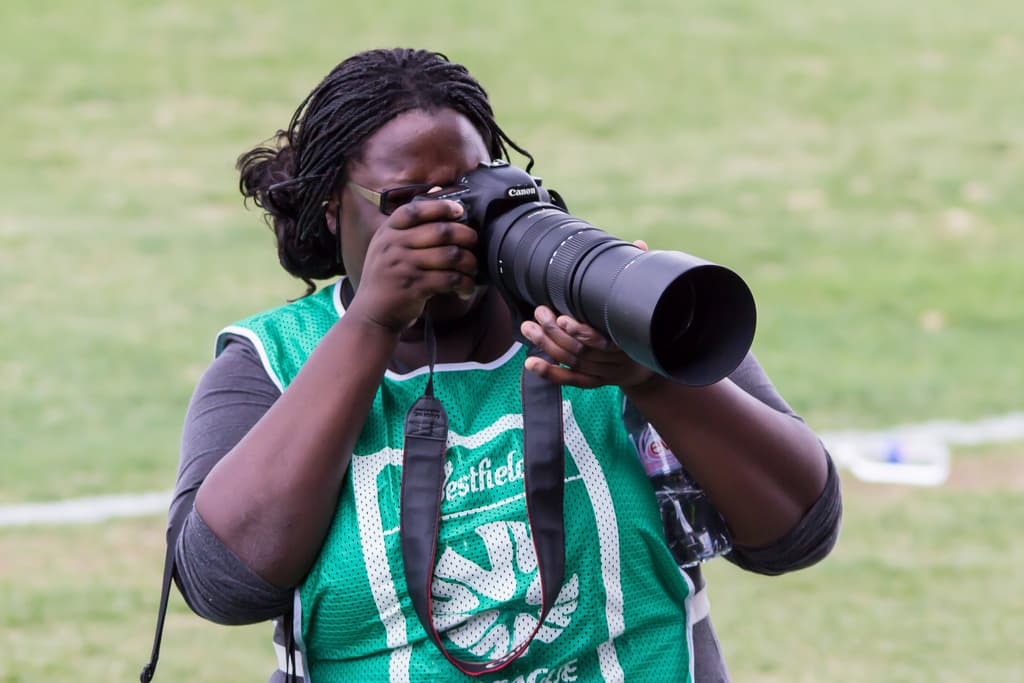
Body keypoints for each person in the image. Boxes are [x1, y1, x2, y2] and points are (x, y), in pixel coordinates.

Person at [168, 47, 841, 682]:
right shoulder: (272, 362)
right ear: (332, 207)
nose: (451, 223)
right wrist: (371, 324)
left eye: (469, 189)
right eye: (409, 204)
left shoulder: (603, 306)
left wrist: (651, 378)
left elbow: (798, 532)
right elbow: (222, 584)